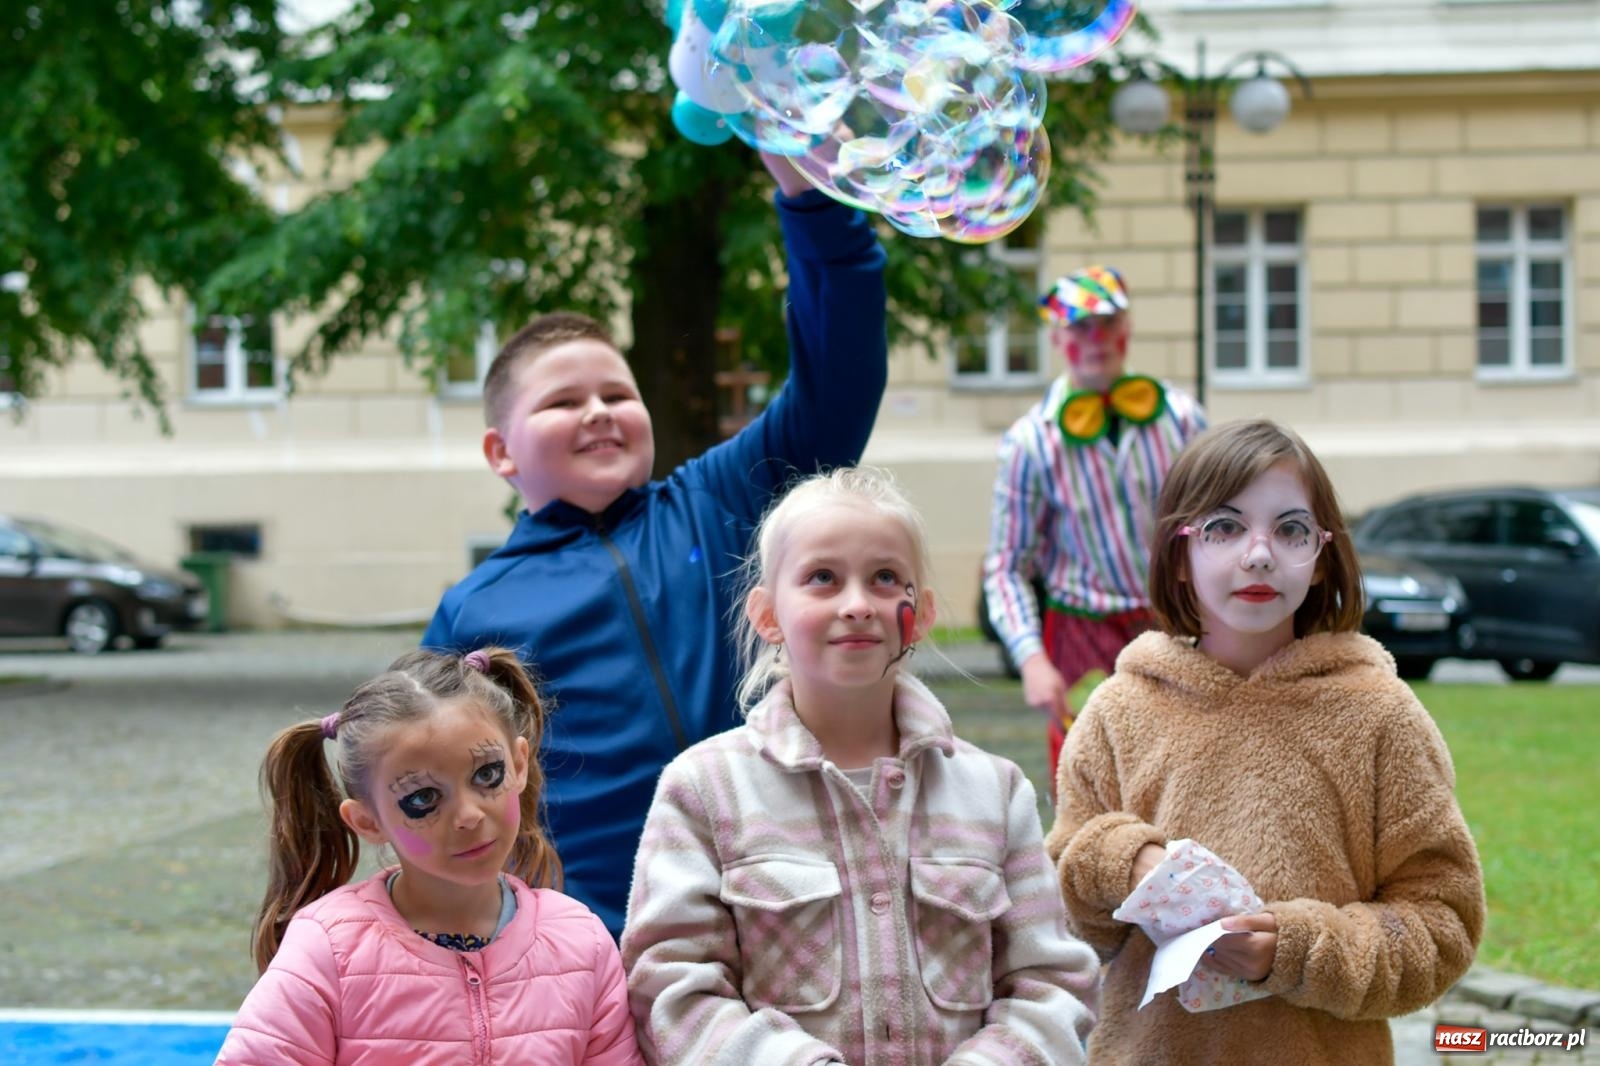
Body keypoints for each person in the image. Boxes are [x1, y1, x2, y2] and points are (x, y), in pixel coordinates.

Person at [421, 154, 888, 937]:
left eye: (618, 394)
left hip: (782, 902)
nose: (599, 411)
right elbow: (436, 787)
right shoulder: (475, 608)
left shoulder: (719, 498)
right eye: (564, 401)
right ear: (502, 453)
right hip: (592, 937)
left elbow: (838, 376)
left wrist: (808, 201)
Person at [621, 467, 1099, 1065]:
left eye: (884, 579)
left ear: (920, 614)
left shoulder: (995, 793)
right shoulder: (703, 790)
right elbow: (671, 987)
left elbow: (1051, 982)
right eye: (822, 578)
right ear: (767, 615)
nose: (857, 605)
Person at [1045, 419, 1485, 1065]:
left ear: (1322, 556)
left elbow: (1441, 925)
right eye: (1225, 527)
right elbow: (1062, 921)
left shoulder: (1378, 715)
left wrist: (1296, 950)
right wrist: (1117, 860)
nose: (1258, 554)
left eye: (1290, 529)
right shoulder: (1120, 710)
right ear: (1180, 553)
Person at [217, 648, 643, 1065]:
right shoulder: (328, 948)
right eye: (422, 798)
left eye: (487, 774)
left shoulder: (581, 942)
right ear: (368, 822)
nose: (469, 815)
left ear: (519, 764)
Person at [982, 265, 1206, 789]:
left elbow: (1215, 526)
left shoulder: (1181, 419)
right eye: (1080, 326)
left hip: (1173, 624)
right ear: (1058, 338)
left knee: (1184, 772)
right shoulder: (1030, 442)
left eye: (1106, 322)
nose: (1096, 337)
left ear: (1126, 330)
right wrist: (1031, 659)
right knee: (1089, 780)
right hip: (1079, 634)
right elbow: (1006, 566)